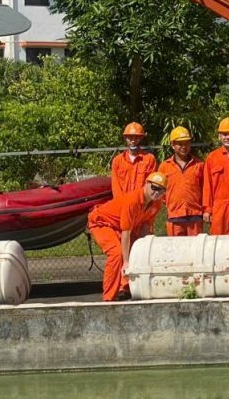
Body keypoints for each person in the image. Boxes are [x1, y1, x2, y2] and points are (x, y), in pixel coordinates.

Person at [87, 171, 167, 301]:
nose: (157, 193)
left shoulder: (156, 204)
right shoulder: (133, 201)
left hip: (121, 227)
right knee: (117, 253)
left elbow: (146, 226)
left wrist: (141, 249)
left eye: (161, 190)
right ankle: (109, 297)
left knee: (137, 251)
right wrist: (126, 261)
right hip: (102, 223)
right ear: (146, 184)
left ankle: (127, 287)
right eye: (154, 188)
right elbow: (126, 233)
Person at [157, 126, 205, 236]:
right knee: (176, 251)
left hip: (195, 215)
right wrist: (171, 202)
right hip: (175, 216)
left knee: (195, 251)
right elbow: (160, 192)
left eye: (186, 143)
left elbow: (205, 189)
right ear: (172, 145)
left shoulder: (199, 165)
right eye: (180, 143)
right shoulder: (164, 167)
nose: (184, 146)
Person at [110, 121, 157, 198]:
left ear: (141, 138)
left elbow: (151, 185)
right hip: (123, 204)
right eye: (130, 137)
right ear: (125, 138)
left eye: (136, 137)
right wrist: (122, 203)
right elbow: (116, 187)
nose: (133, 140)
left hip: (141, 204)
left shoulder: (149, 159)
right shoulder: (117, 161)